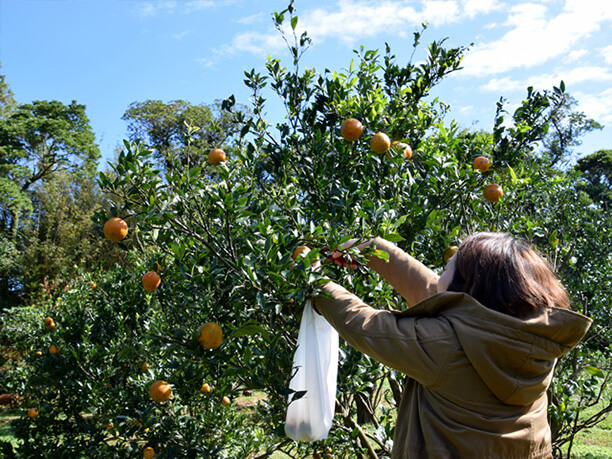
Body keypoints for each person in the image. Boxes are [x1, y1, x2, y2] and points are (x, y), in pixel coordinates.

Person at [310, 232, 592, 459]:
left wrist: (315, 281)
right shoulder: (533, 339)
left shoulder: (444, 346)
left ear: (466, 287)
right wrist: (374, 249)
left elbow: (364, 325)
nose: (439, 276)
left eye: (446, 269)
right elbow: (440, 294)